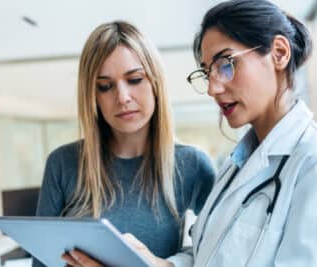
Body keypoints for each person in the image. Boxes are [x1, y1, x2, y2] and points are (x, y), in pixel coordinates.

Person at [69, 1, 317, 266]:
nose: (214, 87)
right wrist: (153, 263)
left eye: (225, 64)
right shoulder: (235, 167)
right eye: (207, 72)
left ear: (279, 53)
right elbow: (208, 257)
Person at [33, 21, 216, 267]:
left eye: (135, 79)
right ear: (93, 96)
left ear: (155, 83)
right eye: (105, 86)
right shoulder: (63, 164)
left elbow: (219, 254)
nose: (122, 97)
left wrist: (164, 265)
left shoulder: (192, 165)